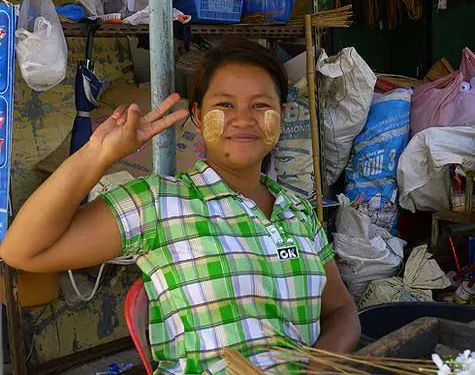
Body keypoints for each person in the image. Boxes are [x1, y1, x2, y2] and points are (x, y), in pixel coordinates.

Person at [0, 38, 360, 374]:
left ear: (281, 114)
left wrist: (320, 367)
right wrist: (99, 154)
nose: (243, 119)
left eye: (261, 105)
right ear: (199, 116)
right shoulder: (160, 203)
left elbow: (341, 309)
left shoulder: (297, 211)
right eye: (225, 104)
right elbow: (21, 251)